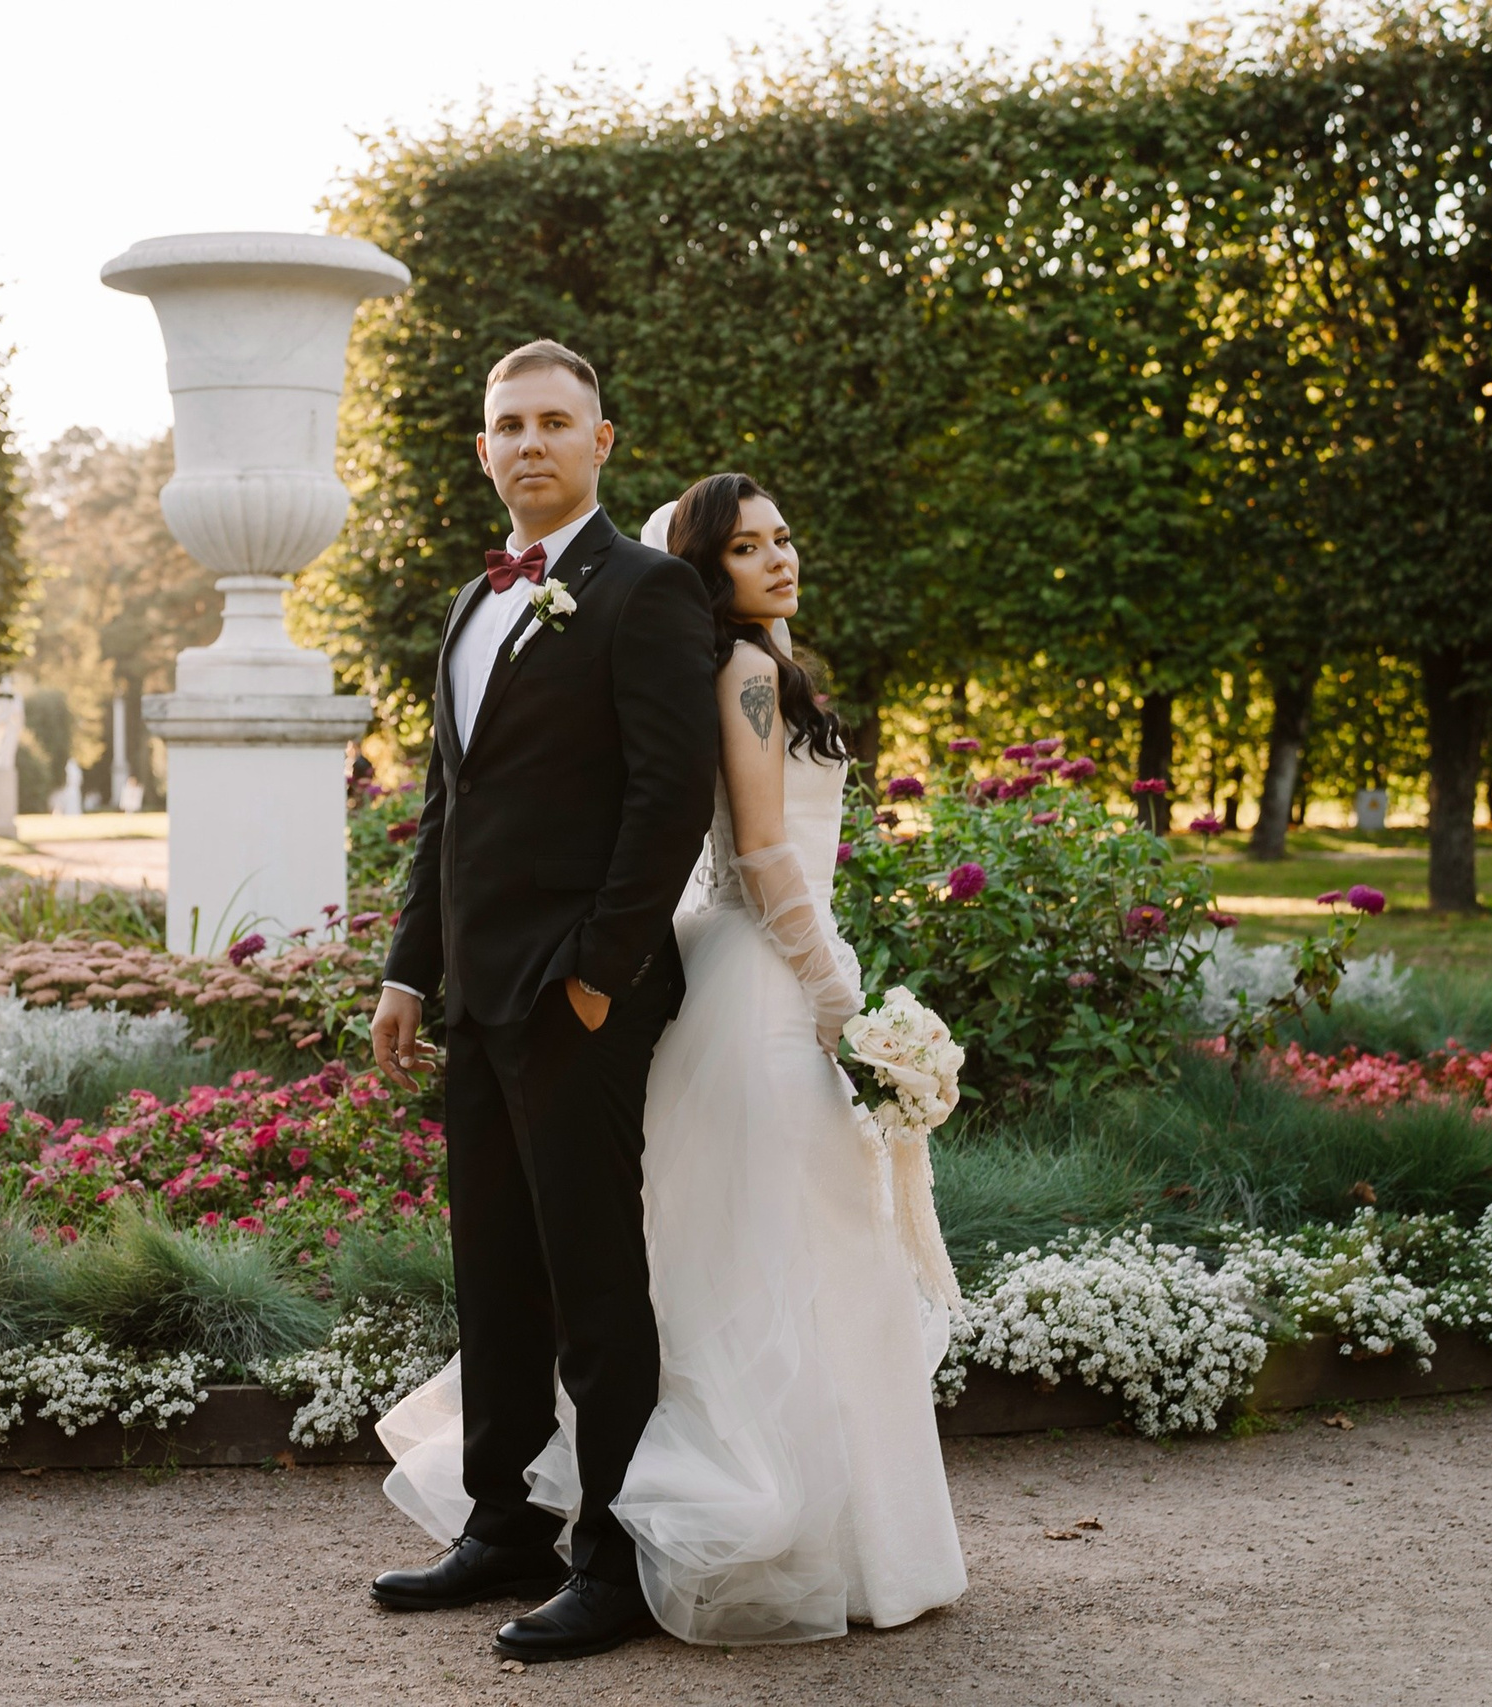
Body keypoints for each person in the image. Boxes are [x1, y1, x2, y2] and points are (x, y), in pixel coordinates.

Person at [379, 472, 967, 1646]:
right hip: (757, 979)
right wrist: (840, 993)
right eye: (750, 548)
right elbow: (759, 853)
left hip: (729, 974)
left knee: (735, 1249)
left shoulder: (757, 670)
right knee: (748, 1255)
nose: (780, 560)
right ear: (708, 569)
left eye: (785, 539)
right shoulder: (745, 676)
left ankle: (748, 1526)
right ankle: (726, 1523)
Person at [367, 340, 719, 1662]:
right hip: (477, 999)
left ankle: (614, 1553)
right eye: (508, 423)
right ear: (481, 448)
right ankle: (502, 1521)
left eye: (554, 422)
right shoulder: (472, 603)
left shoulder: (647, 591)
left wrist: (595, 971)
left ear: (602, 442)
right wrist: (412, 966)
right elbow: (449, 807)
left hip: (581, 997)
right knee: (498, 1274)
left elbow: (669, 797)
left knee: (594, 1284)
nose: (529, 442)